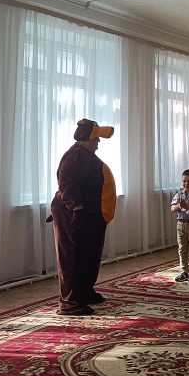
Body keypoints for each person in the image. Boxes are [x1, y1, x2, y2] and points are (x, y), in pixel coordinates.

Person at [49, 118, 117, 316]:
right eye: (96, 139)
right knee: (72, 257)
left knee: (89, 254)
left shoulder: (85, 154)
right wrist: (76, 208)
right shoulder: (77, 155)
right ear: (88, 139)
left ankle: (84, 292)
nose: (99, 143)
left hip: (90, 214)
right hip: (73, 214)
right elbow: (67, 184)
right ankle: (70, 301)